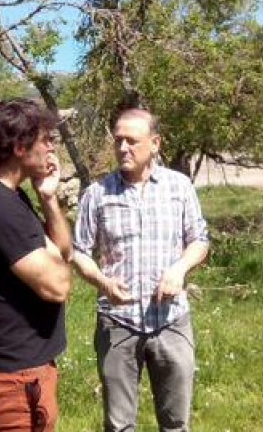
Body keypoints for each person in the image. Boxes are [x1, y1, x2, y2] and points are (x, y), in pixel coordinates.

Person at [71, 108, 210, 432]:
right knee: (119, 425)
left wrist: (179, 269)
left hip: (171, 321)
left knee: (176, 423)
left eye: (131, 141)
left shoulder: (179, 187)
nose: (122, 148)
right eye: (118, 140)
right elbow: (79, 252)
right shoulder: (98, 194)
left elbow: (199, 240)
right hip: (118, 323)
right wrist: (103, 282)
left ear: (155, 143)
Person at [0, 98, 73, 432]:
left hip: (27, 366)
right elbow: (58, 286)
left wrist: (48, 198)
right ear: (20, 147)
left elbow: (63, 251)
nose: (51, 149)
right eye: (45, 140)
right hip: (15, 373)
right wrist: (57, 259)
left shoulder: (10, 196)